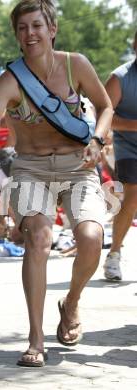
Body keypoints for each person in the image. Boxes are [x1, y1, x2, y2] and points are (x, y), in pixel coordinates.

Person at [0, 0, 113, 367]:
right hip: (31, 169)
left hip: (78, 167)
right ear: (16, 35)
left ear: (51, 29)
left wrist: (98, 140)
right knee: (38, 237)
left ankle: (71, 302)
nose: (30, 33)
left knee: (90, 237)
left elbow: (105, 106)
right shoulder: (9, 80)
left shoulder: (75, 64)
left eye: (37, 26)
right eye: (22, 28)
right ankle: (36, 338)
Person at [102, 31, 137, 281]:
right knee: (132, 197)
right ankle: (114, 254)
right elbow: (105, 118)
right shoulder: (119, 78)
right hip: (129, 149)